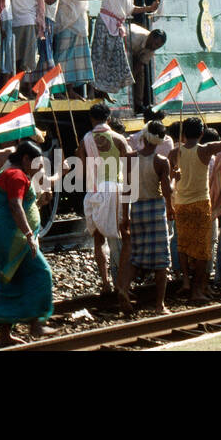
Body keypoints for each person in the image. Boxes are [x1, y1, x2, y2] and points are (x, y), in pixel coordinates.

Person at [0, 139, 56, 344]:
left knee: (9, 279)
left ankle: (4, 335)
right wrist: (29, 234)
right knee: (41, 273)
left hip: (6, 234)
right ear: (26, 159)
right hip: (14, 237)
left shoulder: (9, 173)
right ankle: (37, 323)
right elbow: (15, 205)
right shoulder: (17, 175)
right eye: (34, 163)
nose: (35, 168)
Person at [171, 106, 221, 302]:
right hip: (201, 204)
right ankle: (197, 289)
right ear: (202, 133)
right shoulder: (206, 150)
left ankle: (185, 281)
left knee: (184, 246)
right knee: (202, 249)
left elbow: (169, 179)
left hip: (181, 205)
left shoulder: (175, 153)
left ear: (183, 133)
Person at [115, 120, 174, 314]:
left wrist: (125, 217)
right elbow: (166, 191)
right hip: (156, 209)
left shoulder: (130, 158)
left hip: (137, 208)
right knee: (161, 260)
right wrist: (171, 205)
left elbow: (126, 191)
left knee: (136, 255)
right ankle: (160, 305)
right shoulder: (161, 161)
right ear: (160, 140)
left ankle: (124, 288)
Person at [77, 102, 130, 295]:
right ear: (109, 118)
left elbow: (82, 171)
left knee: (98, 240)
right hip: (115, 189)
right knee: (123, 236)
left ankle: (106, 282)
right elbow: (129, 171)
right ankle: (122, 284)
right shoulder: (119, 139)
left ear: (92, 119)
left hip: (93, 191)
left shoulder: (85, 140)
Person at [90, 0, 159, 100]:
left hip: (116, 26)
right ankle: (92, 91)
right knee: (99, 57)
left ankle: (104, 90)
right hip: (105, 21)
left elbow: (131, 9)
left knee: (112, 59)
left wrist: (149, 8)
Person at [51, 0, 108, 98]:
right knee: (63, 58)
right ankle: (59, 91)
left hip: (78, 23)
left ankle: (71, 90)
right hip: (68, 22)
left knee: (75, 61)